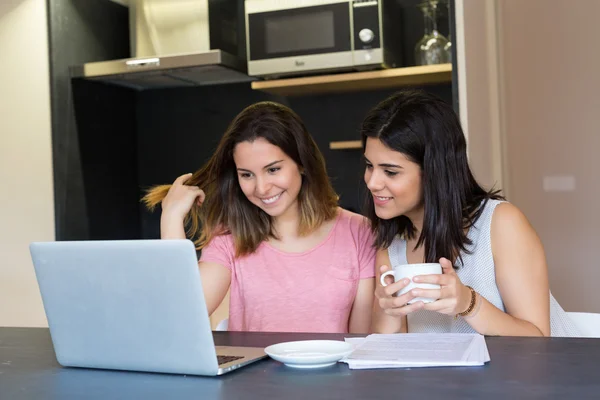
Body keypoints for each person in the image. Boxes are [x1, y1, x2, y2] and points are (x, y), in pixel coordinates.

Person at [143, 101, 375, 333]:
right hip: (254, 371)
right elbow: (180, 314)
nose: (262, 188)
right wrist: (171, 218)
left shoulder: (359, 232)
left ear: (302, 163)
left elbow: (360, 342)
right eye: (247, 175)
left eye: (273, 169)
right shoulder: (229, 238)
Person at [362, 90, 579, 337]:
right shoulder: (392, 245)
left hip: (542, 373)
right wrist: (387, 311)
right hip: (457, 376)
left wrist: (468, 303)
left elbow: (537, 339)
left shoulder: (501, 224)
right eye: (370, 166)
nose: (372, 182)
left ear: (435, 171)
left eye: (390, 172)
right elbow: (390, 354)